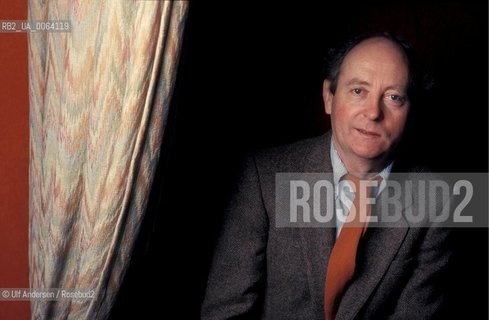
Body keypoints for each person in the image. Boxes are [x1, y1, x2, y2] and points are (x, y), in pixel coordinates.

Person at [200, 32, 452, 320]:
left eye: (394, 97)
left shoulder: (437, 199)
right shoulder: (262, 176)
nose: (373, 112)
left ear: (410, 111)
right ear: (328, 97)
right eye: (359, 91)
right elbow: (225, 313)